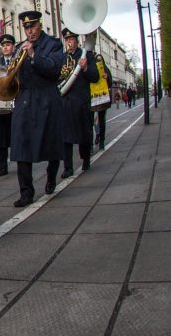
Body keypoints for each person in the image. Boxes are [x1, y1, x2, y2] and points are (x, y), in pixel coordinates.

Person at [10, 11, 64, 206]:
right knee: (21, 146)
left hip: (47, 97)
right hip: (25, 99)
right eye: (26, 27)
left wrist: (33, 55)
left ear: (39, 25)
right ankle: (26, 192)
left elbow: (54, 69)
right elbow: (13, 76)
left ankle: (51, 177)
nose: (29, 31)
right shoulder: (19, 47)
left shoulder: (53, 44)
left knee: (51, 144)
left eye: (32, 26)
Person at [60, 28, 100, 176]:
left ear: (77, 40)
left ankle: (85, 158)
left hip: (81, 102)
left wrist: (86, 68)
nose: (69, 42)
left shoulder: (85, 55)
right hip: (65, 102)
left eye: (71, 39)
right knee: (65, 137)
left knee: (84, 134)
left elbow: (95, 77)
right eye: (67, 40)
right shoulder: (62, 58)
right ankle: (68, 167)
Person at [0, 34, 17, 176]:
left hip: (16, 102)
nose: (6, 47)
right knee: (0, 137)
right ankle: (2, 166)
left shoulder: (18, 62)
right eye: (4, 45)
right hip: (0, 104)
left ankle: (21, 161)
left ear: (13, 46)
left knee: (17, 134)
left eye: (8, 45)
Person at [93, 55, 113, 149]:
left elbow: (110, 83)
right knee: (94, 120)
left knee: (101, 120)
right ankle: (98, 136)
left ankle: (101, 139)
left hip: (102, 99)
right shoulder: (91, 68)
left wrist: (107, 77)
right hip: (93, 98)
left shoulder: (105, 69)